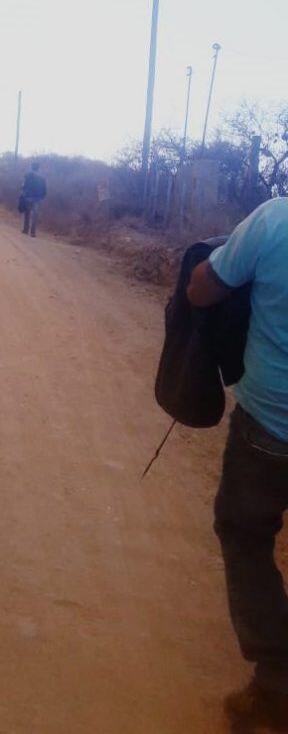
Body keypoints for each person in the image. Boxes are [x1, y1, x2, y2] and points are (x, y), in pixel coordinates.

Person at [187, 197, 288, 730]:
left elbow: (201, 289)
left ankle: (276, 684)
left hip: (272, 425)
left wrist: (225, 250)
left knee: (245, 534)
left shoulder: (274, 221)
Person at [20, 162, 47, 236]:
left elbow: (23, 185)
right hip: (37, 198)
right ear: (38, 168)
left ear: (31, 167)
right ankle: (33, 232)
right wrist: (42, 197)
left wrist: (23, 193)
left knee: (27, 213)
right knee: (35, 215)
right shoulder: (42, 178)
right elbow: (44, 189)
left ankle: (26, 230)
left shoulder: (27, 175)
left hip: (28, 197)